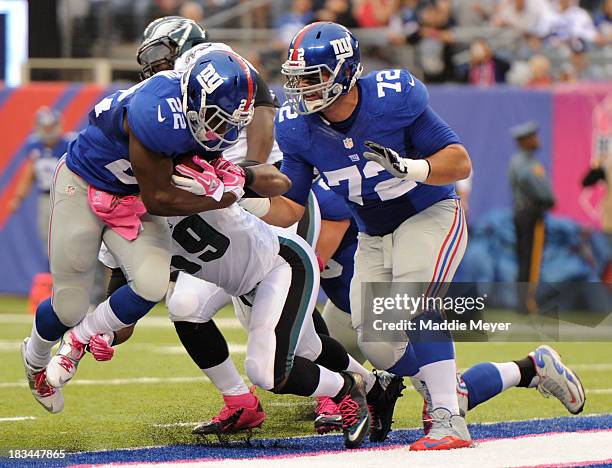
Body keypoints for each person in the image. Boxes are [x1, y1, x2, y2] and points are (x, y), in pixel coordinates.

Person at [20, 50, 277, 415]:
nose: (222, 130)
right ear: (194, 97)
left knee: (152, 284)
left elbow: (266, 175)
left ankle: (78, 340)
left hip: (131, 195)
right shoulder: (156, 111)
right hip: (83, 184)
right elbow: (159, 199)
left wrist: (232, 178)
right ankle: (34, 361)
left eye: (229, 120)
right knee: (69, 304)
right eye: (216, 118)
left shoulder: (207, 115)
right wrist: (223, 196)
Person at [263, 21, 473, 451]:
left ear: (345, 71)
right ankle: (456, 389)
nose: (301, 87)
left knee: (415, 303)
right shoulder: (297, 128)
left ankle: (449, 420)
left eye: (312, 76)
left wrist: (414, 168)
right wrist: (237, 201)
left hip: (428, 211)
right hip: (374, 233)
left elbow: (460, 161)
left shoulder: (392, 99)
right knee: (377, 341)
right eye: (296, 77)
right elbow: (291, 206)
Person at [8, 108, 75, 254]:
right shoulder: (34, 146)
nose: (48, 130)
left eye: (51, 126)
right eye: (45, 127)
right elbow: (30, 173)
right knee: (47, 233)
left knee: (71, 233)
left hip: (68, 195)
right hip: (46, 196)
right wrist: (18, 198)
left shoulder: (69, 144)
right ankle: (54, 268)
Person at [508, 121, 555, 314]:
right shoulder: (527, 163)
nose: (537, 140)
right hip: (531, 213)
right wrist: (549, 199)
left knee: (524, 258)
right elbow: (542, 192)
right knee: (532, 259)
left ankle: (523, 302)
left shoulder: (516, 161)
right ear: (525, 140)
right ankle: (528, 302)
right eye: (533, 137)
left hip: (521, 213)